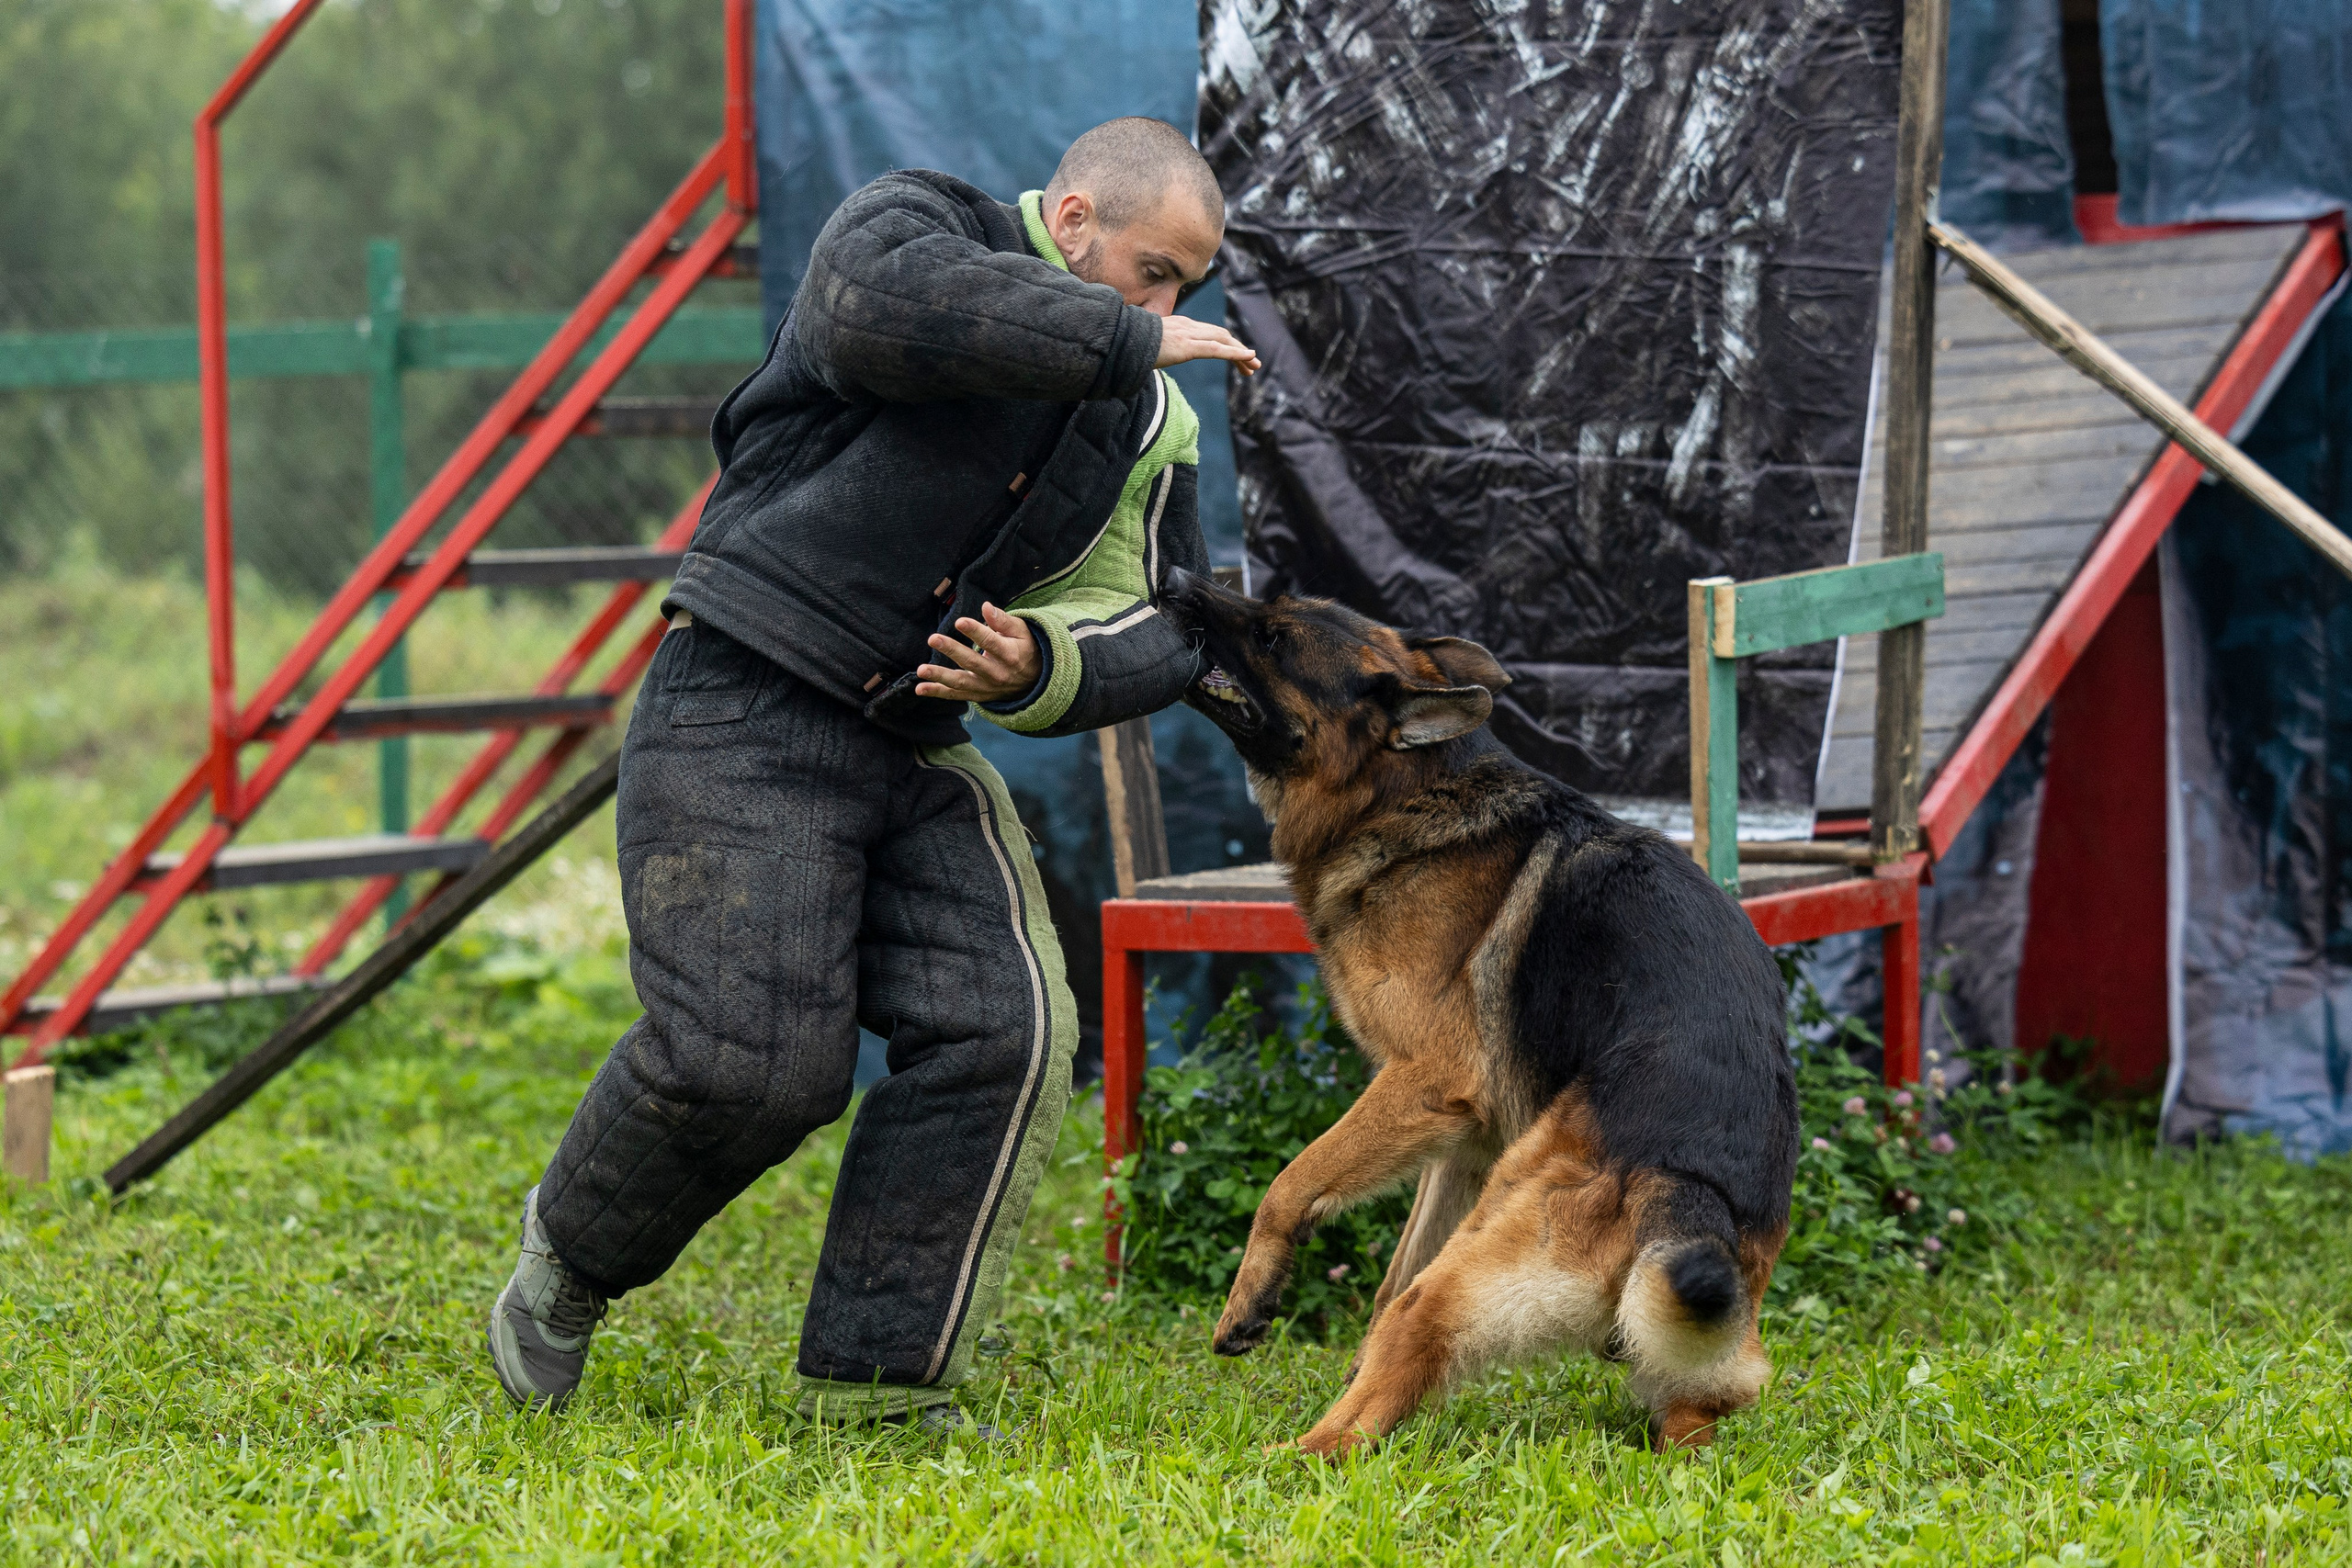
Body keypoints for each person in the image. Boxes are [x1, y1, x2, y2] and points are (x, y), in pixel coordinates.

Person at [486, 117, 1260, 1429]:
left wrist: (1037, 665)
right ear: (1072, 221)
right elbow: (870, 315)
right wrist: (1124, 341)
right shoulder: (914, 223)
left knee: (1001, 1030)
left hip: (907, 736)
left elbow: (1172, 621)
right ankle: (566, 1263)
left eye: (1185, 287)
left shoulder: (1148, 421)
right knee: (754, 1067)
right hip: (744, 690)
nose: (1167, 308)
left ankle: (880, 1383)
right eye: (1152, 271)